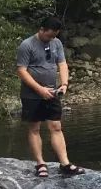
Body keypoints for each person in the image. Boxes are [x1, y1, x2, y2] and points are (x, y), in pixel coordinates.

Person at [15, 16, 85, 178]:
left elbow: (62, 64)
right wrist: (39, 89)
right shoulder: (27, 45)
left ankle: (65, 164)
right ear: (41, 30)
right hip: (32, 94)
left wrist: (64, 84)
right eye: (49, 35)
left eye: (54, 36)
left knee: (56, 127)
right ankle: (40, 164)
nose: (51, 39)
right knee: (34, 128)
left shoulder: (56, 43)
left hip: (52, 92)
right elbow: (21, 71)